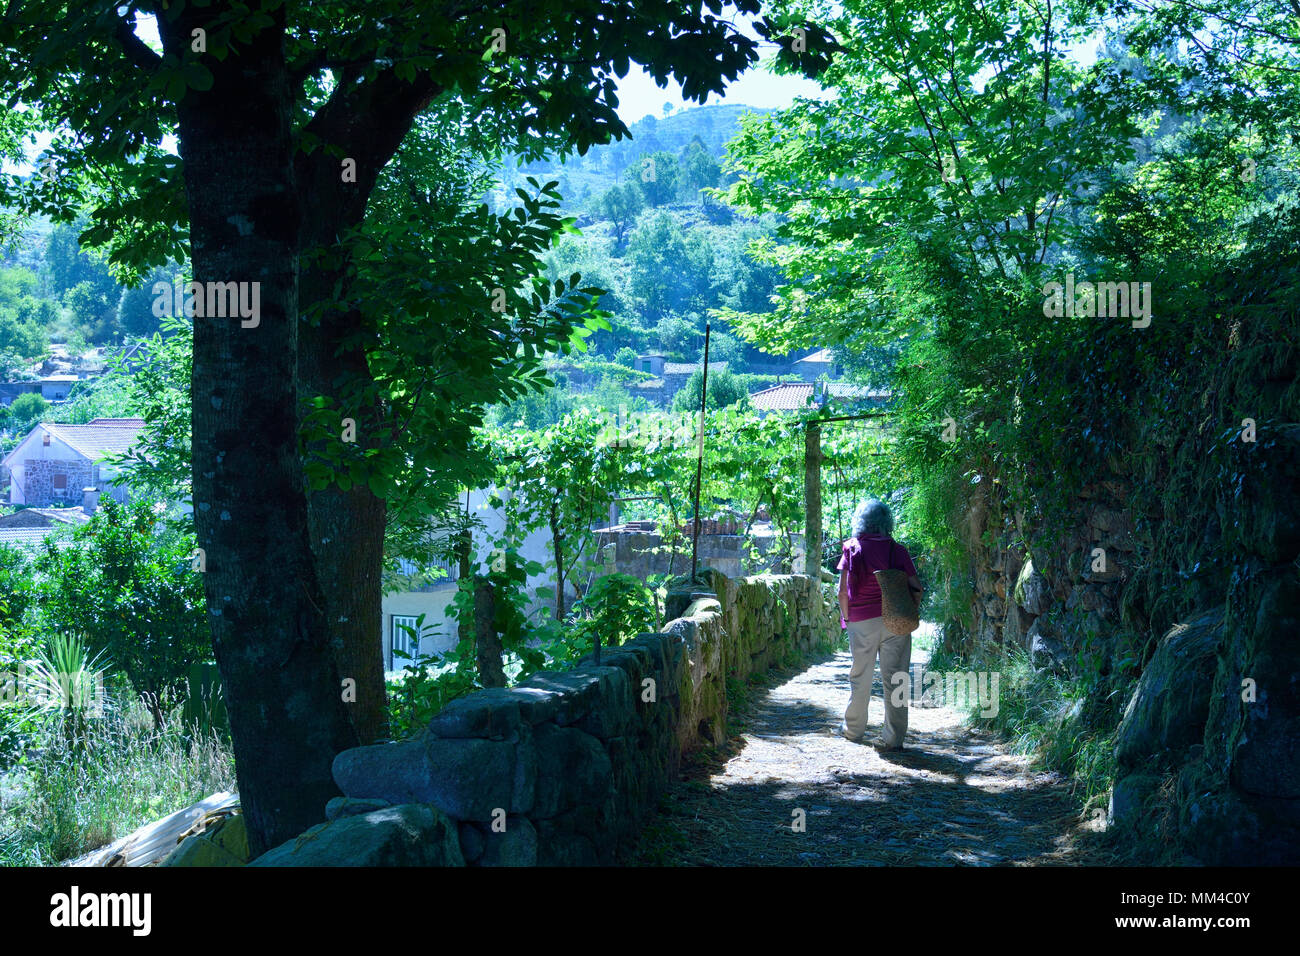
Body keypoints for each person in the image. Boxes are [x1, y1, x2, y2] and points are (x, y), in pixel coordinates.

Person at [836, 498, 922, 750]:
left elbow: (842, 591)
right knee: (896, 678)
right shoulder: (898, 550)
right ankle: (893, 739)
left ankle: (853, 731)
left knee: (860, 676)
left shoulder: (851, 548)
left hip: (861, 620)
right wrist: (907, 612)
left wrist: (847, 618)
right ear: (887, 522)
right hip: (895, 621)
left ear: (860, 522)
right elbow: (917, 587)